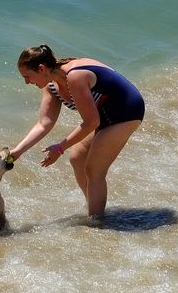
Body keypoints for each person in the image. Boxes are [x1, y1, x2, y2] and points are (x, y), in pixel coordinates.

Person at [10, 45, 144, 217]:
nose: (27, 82)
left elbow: (91, 121)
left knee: (94, 170)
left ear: (41, 68)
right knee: (77, 157)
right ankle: (94, 208)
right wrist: (17, 152)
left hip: (126, 110)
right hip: (103, 114)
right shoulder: (51, 86)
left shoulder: (74, 76)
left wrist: (60, 147)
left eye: (27, 76)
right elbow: (44, 123)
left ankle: (97, 223)